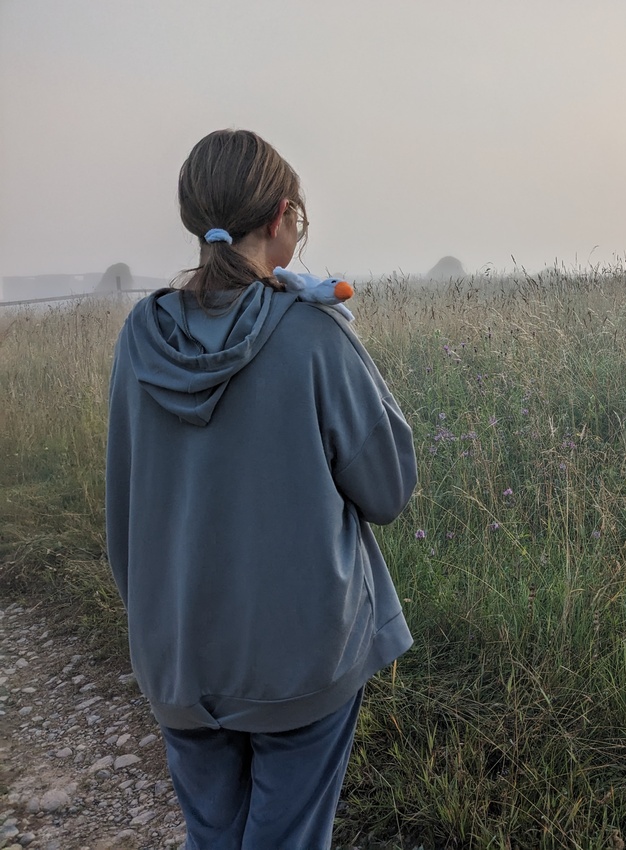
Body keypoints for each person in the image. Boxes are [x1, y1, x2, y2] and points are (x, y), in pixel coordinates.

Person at [105, 128, 417, 849]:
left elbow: (125, 503)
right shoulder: (312, 332)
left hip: (178, 651)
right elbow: (388, 489)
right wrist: (342, 339)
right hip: (299, 661)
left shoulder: (139, 337)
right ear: (281, 217)